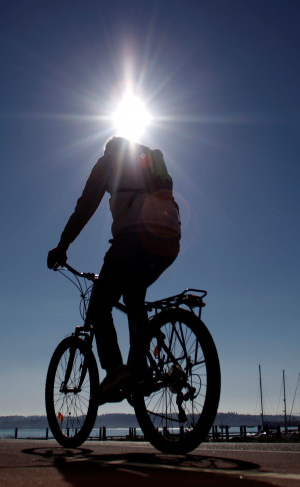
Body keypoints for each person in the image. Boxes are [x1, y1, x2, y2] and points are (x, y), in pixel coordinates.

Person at [47, 136, 181, 404]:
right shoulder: (149, 163)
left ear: (109, 150)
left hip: (133, 237)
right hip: (168, 239)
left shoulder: (108, 161)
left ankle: (116, 371)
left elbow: (85, 206)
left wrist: (62, 246)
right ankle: (139, 371)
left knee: (98, 307)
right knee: (134, 298)